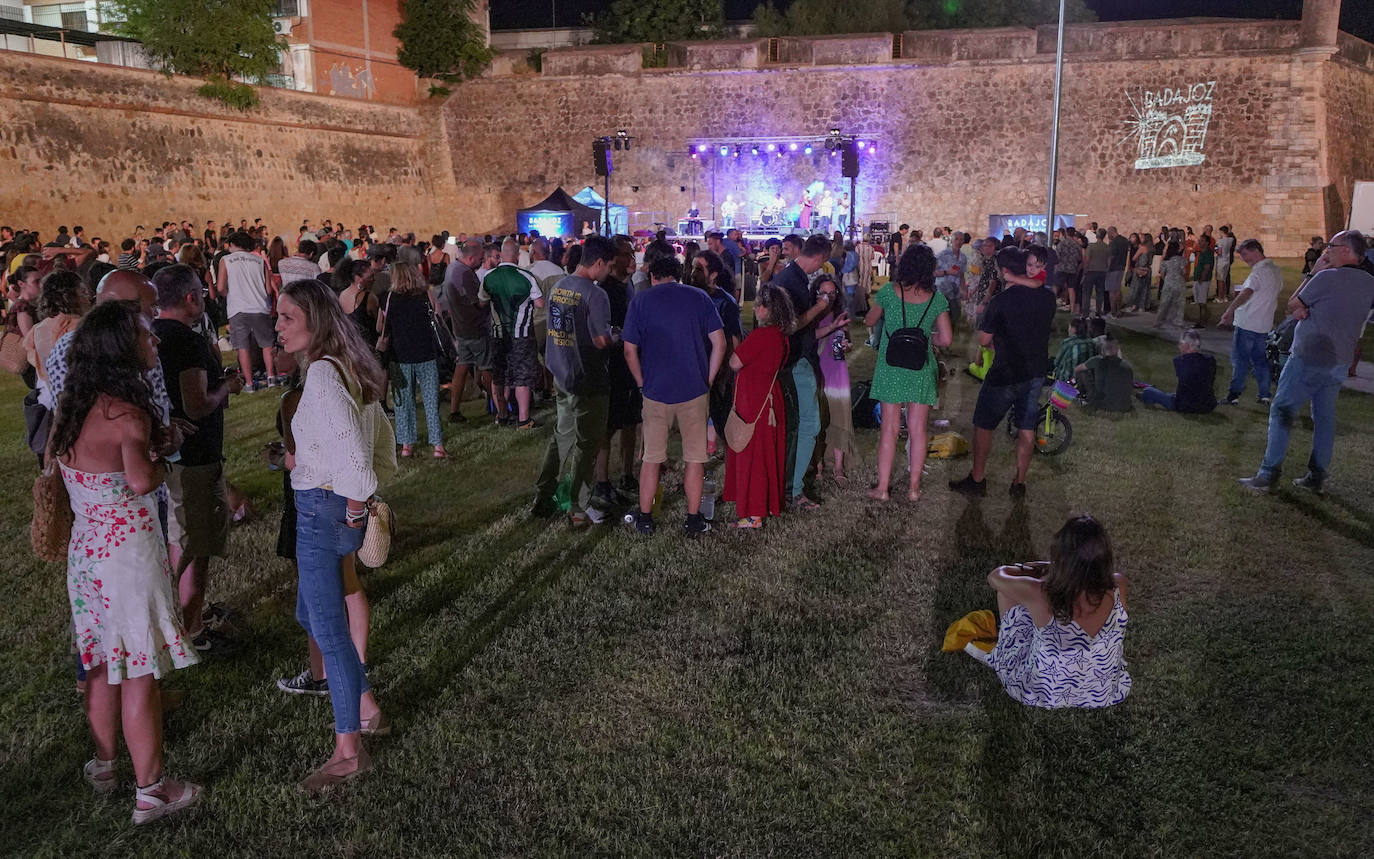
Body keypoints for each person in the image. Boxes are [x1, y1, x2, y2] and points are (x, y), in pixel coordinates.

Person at [51, 300, 202, 824]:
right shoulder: (126, 412)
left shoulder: (73, 408)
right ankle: (152, 791)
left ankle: (104, 763)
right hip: (127, 554)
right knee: (139, 671)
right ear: (121, 349)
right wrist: (161, 456)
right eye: (145, 336)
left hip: (87, 554)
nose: (154, 342)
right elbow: (139, 481)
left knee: (99, 660)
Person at [274, 278, 394, 792]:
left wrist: (353, 507)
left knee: (329, 630)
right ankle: (365, 706)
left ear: (315, 323)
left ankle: (349, 749)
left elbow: (354, 453)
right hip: (324, 509)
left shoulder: (323, 376)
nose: (277, 328)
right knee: (310, 612)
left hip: (323, 511)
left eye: (287, 319)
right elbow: (378, 433)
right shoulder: (341, 367)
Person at [151, 264, 245, 659]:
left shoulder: (150, 335)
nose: (205, 299)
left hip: (167, 454)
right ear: (190, 298)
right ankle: (189, 629)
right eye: (201, 294)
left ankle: (187, 621)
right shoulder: (185, 341)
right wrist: (227, 386)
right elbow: (196, 403)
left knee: (181, 539)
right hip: (193, 456)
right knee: (192, 542)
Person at [1239, 231, 1374, 494]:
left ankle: (1268, 474)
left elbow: (1293, 303)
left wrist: (1314, 272)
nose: (1326, 252)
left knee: (1281, 410)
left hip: (1310, 356)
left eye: (1331, 247)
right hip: (1340, 360)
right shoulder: (1369, 282)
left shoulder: (1327, 278)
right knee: (1324, 418)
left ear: (1346, 251)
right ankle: (1317, 475)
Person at [622, 255, 726, 535]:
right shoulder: (700, 297)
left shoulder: (641, 301)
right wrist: (709, 378)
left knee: (652, 457)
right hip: (694, 388)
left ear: (653, 276)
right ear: (678, 275)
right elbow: (720, 342)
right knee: (695, 457)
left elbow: (629, 349)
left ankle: (645, 517)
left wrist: (642, 382)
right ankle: (693, 519)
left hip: (656, 389)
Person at [981, 516, 1130, 709]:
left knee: (1007, 593)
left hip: (1043, 693)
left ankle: (1007, 650)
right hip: (1103, 691)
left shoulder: (1040, 592)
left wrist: (1037, 567)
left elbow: (995, 576)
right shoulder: (1119, 584)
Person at [950, 247, 1057, 498]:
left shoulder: (1001, 301)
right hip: (1036, 371)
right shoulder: (1048, 297)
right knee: (1027, 428)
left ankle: (977, 480)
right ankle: (1019, 483)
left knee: (984, 425)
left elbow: (985, 340)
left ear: (1005, 271)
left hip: (1006, 373)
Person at [533, 235, 615, 526]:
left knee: (561, 437)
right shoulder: (595, 294)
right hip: (587, 378)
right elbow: (601, 340)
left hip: (561, 374)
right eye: (610, 266)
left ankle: (543, 496)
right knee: (587, 444)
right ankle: (578, 508)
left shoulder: (560, 286)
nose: (609, 273)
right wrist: (618, 336)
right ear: (599, 263)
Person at [864, 245, 953, 502]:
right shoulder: (936, 299)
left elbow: (870, 321)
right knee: (918, 430)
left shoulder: (889, 293)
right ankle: (914, 488)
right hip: (921, 367)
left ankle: (882, 488)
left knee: (889, 430)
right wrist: (927, 336)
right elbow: (946, 339)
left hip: (891, 368)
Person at [769, 234, 834, 510]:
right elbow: (790, 325)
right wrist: (821, 306)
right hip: (795, 361)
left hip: (795, 360)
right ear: (819, 258)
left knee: (802, 424)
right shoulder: (791, 281)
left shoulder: (790, 276)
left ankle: (789, 486)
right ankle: (792, 491)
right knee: (807, 424)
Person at [722, 285, 793, 529]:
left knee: (753, 456)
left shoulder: (762, 336)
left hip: (755, 402)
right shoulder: (780, 336)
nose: (756, 308)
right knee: (764, 454)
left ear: (767, 309)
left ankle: (753, 514)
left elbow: (734, 362)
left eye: (760, 305)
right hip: (769, 400)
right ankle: (761, 506)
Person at [378, 262, 446, 458]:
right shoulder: (426, 295)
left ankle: (407, 445)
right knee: (431, 400)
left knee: (403, 402)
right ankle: (437, 446)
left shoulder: (389, 298)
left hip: (400, 355)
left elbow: (381, 327)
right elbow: (438, 317)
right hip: (425, 352)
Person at [480, 238, 545, 429]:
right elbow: (540, 303)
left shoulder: (488, 276)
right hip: (521, 333)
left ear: (500, 254)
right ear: (517, 255)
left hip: (498, 334)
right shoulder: (526, 276)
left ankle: (502, 415)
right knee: (522, 377)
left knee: (500, 375)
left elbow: (482, 301)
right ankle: (524, 419)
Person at [1219, 239, 1282, 405]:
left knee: (1240, 360)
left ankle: (1233, 395)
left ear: (1256, 251)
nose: (1244, 259)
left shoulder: (1258, 272)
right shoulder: (1275, 270)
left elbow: (1246, 292)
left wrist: (1229, 310)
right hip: (1264, 324)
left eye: (1245, 254)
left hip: (1248, 323)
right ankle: (1264, 394)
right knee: (1260, 360)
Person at [217, 231, 279, 391]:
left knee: (242, 347)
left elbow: (221, 287)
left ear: (232, 244)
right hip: (259, 306)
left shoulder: (226, 260)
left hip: (238, 308)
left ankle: (250, 383)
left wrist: (229, 295)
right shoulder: (259, 260)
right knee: (266, 344)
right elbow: (268, 289)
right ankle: (271, 377)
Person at [440, 238, 491, 422]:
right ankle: (499, 407)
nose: (482, 261)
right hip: (475, 328)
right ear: (472, 258)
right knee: (487, 368)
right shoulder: (466, 274)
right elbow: (478, 301)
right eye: (480, 258)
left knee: (461, 368)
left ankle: (454, 411)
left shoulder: (451, 268)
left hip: (460, 328)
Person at [812, 275, 857, 485]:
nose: (828, 297)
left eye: (832, 293)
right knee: (817, 419)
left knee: (839, 417)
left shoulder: (840, 315)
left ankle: (838, 466)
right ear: (815, 293)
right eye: (823, 293)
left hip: (837, 371)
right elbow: (810, 337)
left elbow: (844, 344)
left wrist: (846, 345)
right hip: (817, 371)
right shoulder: (810, 315)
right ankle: (818, 463)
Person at [1139, 329, 1217, 412]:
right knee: (1171, 395)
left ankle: (1147, 397)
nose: (1178, 346)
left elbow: (1185, 383)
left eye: (1180, 344)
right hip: (1208, 405)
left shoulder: (1181, 361)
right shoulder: (1210, 359)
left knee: (1148, 391)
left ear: (1186, 346)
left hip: (1186, 405)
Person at [1074, 337, 1134, 412]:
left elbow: (1077, 369)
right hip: (1125, 406)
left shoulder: (1098, 360)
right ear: (1118, 349)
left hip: (1103, 405)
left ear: (1103, 349)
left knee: (1082, 373)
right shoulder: (1127, 365)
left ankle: (1081, 396)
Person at [1153, 241, 1188, 329]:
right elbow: (1184, 272)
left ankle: (1159, 320)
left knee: (1164, 302)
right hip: (1180, 283)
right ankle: (1178, 321)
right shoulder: (1182, 260)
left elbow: (1162, 274)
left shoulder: (1166, 261)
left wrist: (1168, 279)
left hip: (1168, 283)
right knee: (1179, 303)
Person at [1081, 228, 1111, 316]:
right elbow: (1109, 261)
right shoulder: (1107, 247)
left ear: (1097, 235)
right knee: (1100, 292)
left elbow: (1087, 260)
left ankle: (1085, 312)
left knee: (1087, 292)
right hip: (1102, 272)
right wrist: (1106, 269)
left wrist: (1085, 270)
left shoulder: (1091, 246)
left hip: (1091, 271)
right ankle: (1098, 311)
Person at [1190, 234, 1216, 328]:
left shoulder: (1208, 253)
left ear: (1207, 243)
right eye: (1199, 241)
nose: (1200, 243)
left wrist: (1202, 278)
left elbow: (1207, 267)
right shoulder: (1201, 252)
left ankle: (1202, 322)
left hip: (1203, 280)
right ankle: (1203, 318)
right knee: (1199, 301)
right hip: (1198, 279)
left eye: (1202, 241)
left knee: (1202, 302)